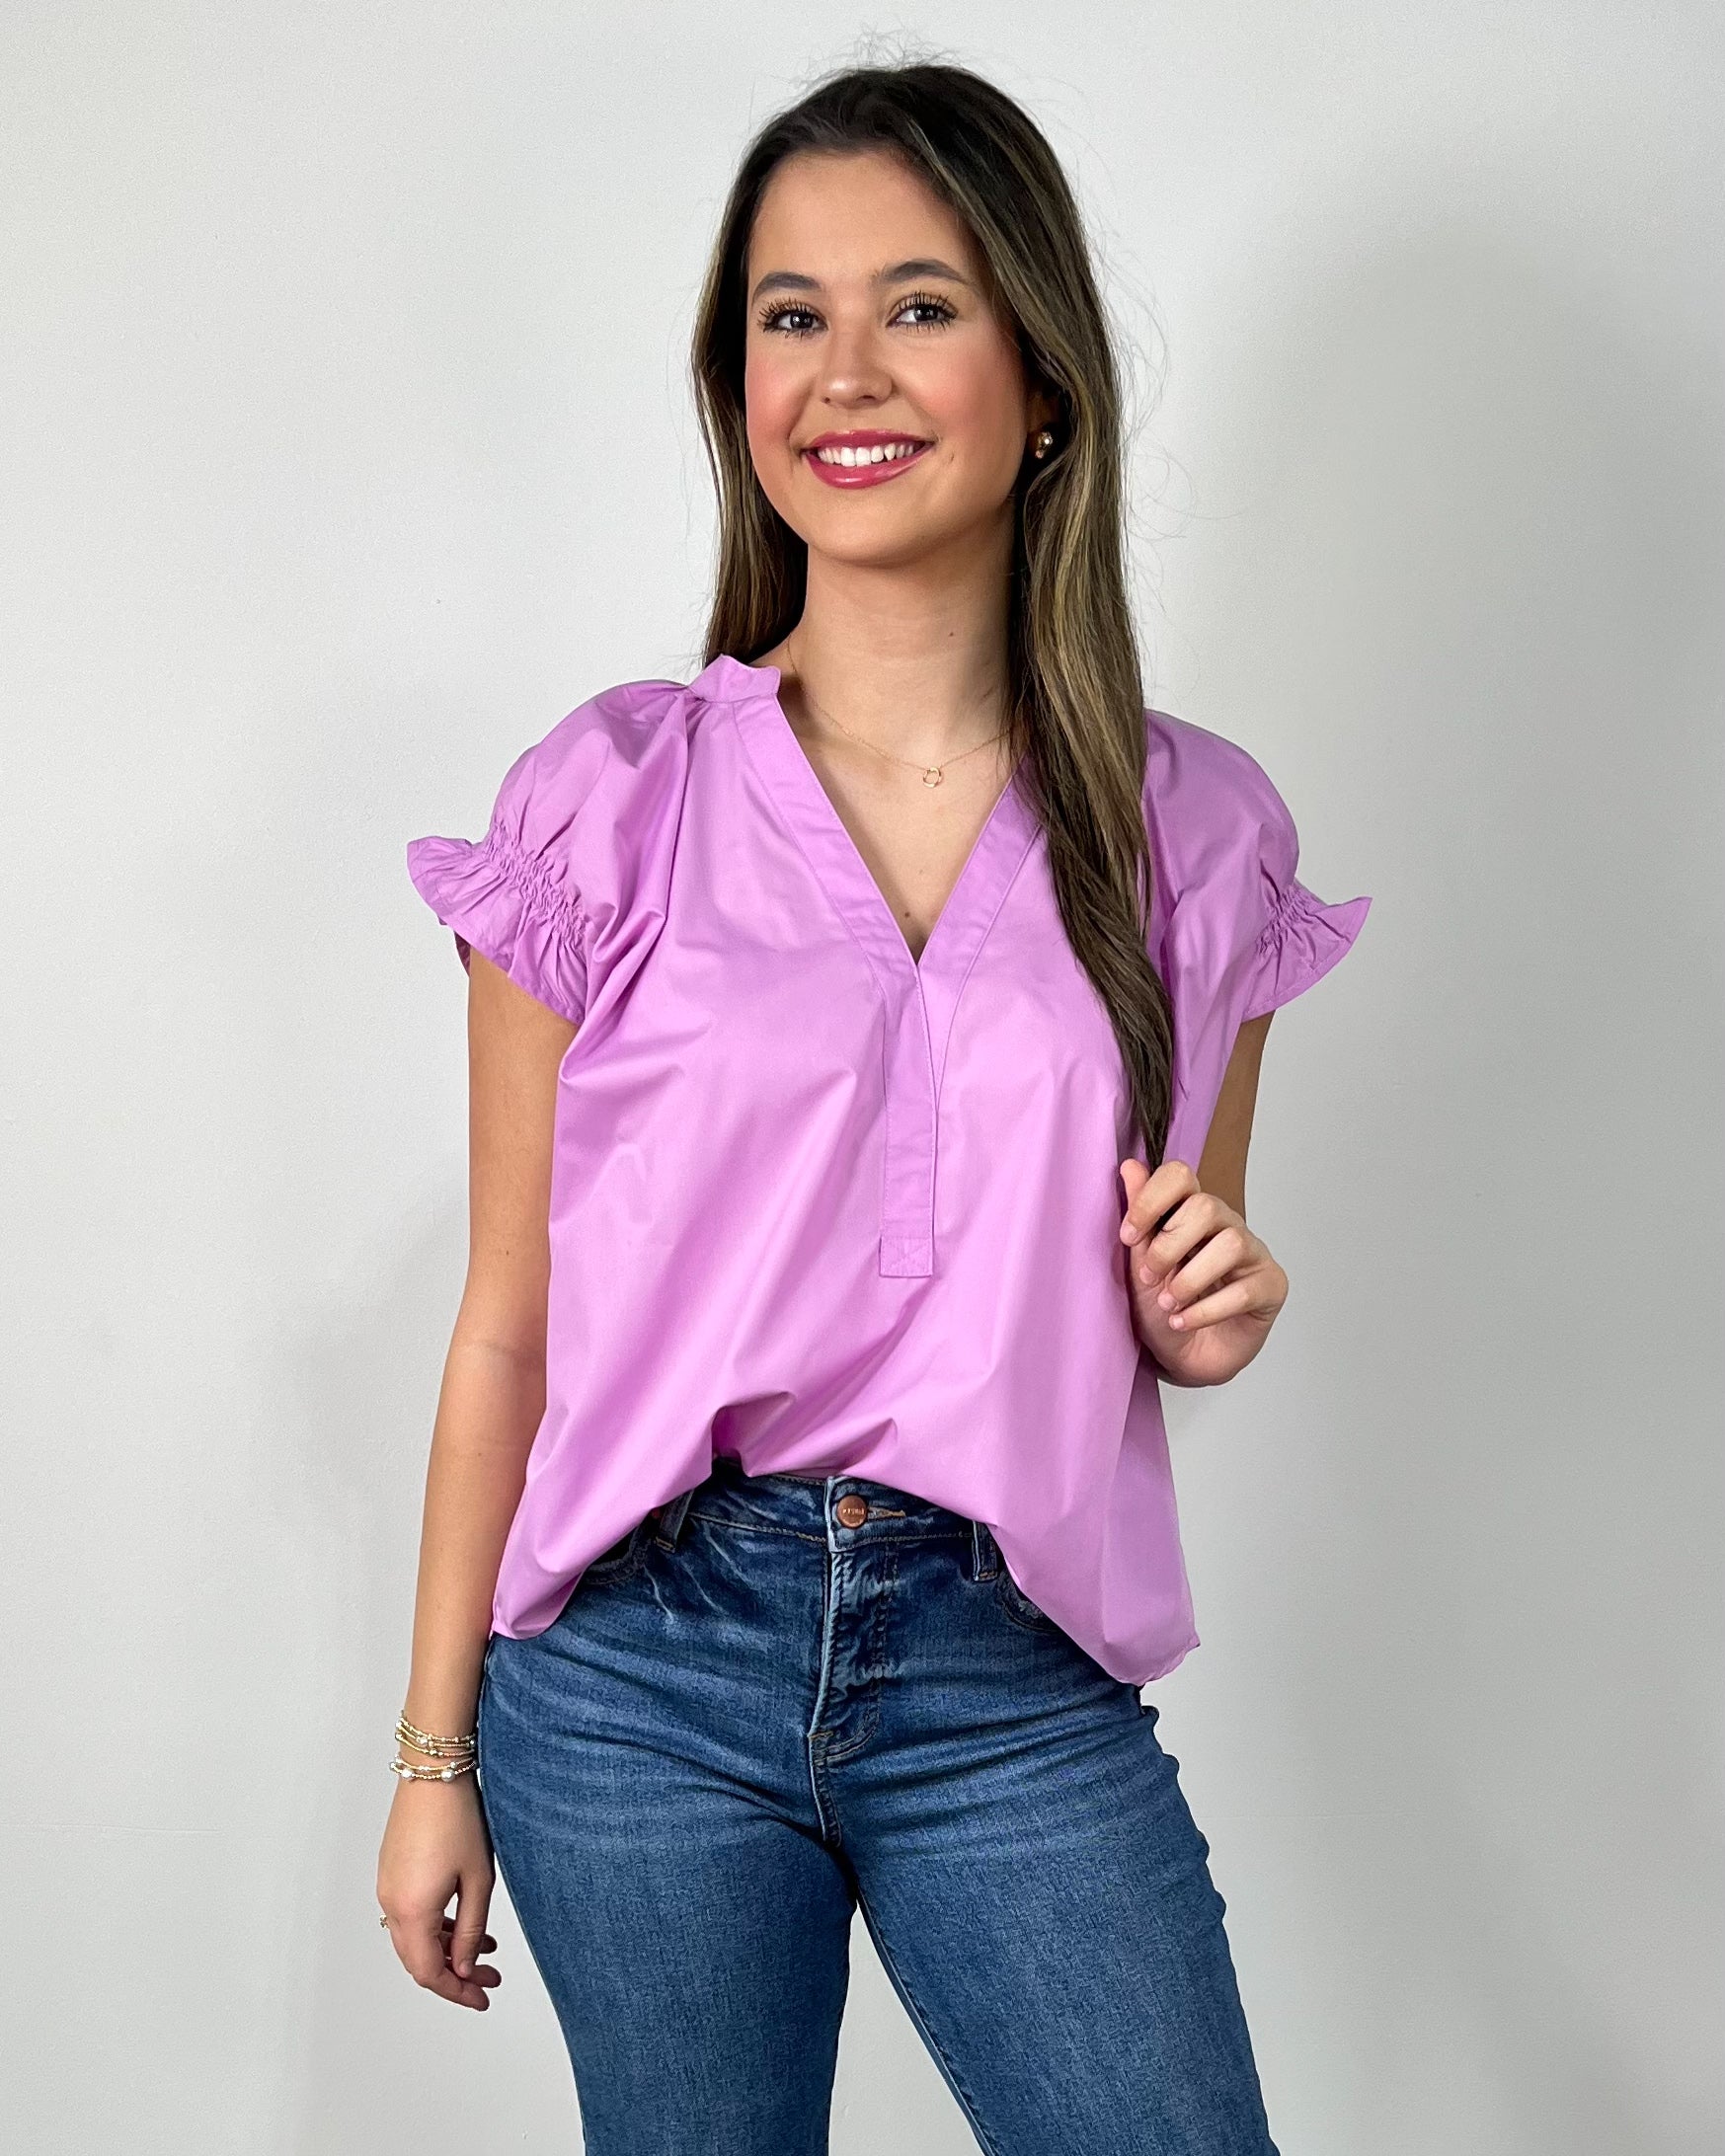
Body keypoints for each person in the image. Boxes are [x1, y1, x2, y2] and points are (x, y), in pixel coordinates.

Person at [377, 57, 1370, 2156]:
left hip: (1007, 1669)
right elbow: (508, 1324)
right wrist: (431, 1755)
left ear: (1045, 377)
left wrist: (1216, 1306)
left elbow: (1174, 1293)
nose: (845, 371)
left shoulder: (1196, 834)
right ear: (734, 381)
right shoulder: (610, 803)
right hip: (636, 1674)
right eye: (788, 313)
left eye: (918, 305)